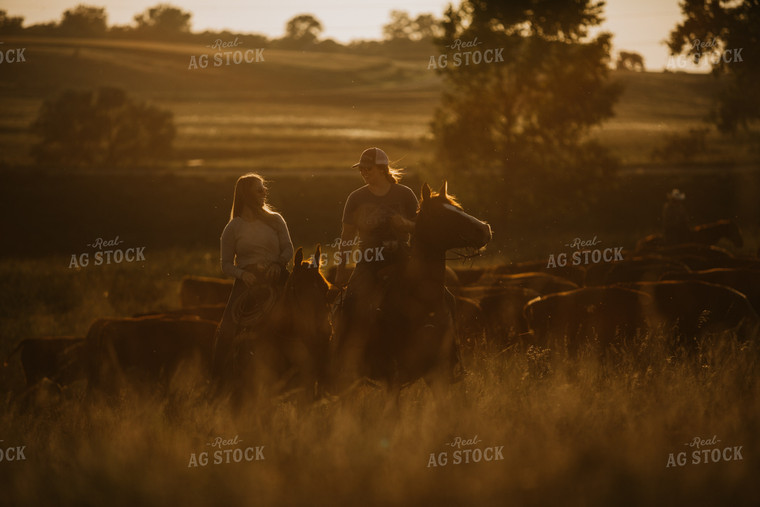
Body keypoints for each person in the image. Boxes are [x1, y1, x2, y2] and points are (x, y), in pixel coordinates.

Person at [212, 173, 294, 384]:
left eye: (264, 188)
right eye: (259, 189)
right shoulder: (233, 227)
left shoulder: (276, 220)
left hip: (277, 274)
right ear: (247, 194)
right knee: (227, 328)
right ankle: (219, 379)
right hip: (248, 280)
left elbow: (288, 249)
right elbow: (226, 264)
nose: (265, 191)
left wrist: (277, 264)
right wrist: (243, 274)